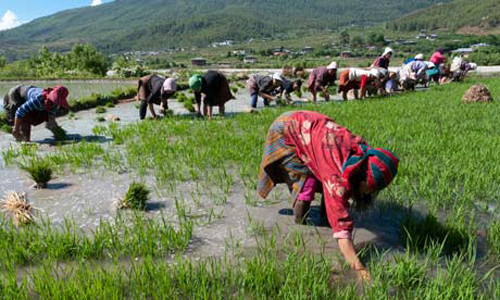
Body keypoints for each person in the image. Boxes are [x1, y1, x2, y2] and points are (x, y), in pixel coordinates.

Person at [258, 110, 399, 281]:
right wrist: (360, 269)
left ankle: (323, 215)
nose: (369, 193)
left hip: (310, 124)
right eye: (369, 188)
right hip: (286, 129)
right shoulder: (336, 178)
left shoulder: (363, 154)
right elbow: (342, 231)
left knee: (324, 180)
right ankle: (300, 220)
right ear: (361, 178)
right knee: (306, 181)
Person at [3, 85, 69, 142]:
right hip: (17, 95)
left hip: (29, 93)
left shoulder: (54, 104)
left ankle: (23, 138)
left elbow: (50, 116)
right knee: (23, 121)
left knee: (41, 116)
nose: (56, 104)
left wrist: (53, 125)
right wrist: (16, 129)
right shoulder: (39, 99)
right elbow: (20, 111)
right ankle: (20, 137)